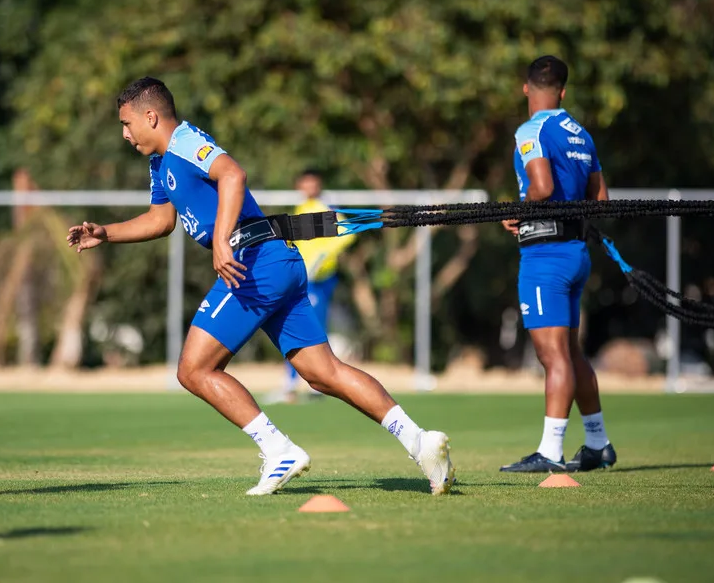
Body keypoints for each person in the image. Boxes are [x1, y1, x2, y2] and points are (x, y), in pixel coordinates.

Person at [67, 77, 453, 495]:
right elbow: (160, 220)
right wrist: (105, 232)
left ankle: (278, 450)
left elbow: (233, 174)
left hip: (254, 263)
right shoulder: (159, 163)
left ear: (150, 116)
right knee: (323, 374)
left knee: (193, 369)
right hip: (273, 261)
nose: (124, 134)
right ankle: (420, 441)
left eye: (126, 123)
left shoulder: (183, 142)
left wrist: (220, 241)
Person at [499, 55, 617, 473]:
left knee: (554, 358)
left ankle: (550, 451)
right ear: (563, 92)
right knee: (570, 351)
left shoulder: (530, 130)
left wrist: (517, 210)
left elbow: (542, 187)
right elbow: (599, 202)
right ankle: (598, 443)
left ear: (526, 88)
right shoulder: (581, 134)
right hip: (576, 255)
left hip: (545, 257)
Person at [267, 168, 356, 404]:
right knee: (294, 327)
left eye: (313, 183)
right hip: (301, 278)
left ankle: (313, 385)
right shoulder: (301, 208)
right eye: (305, 183)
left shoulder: (325, 206)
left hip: (319, 280)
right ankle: (294, 384)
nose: (309, 187)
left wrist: (322, 259)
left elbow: (347, 233)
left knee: (311, 330)